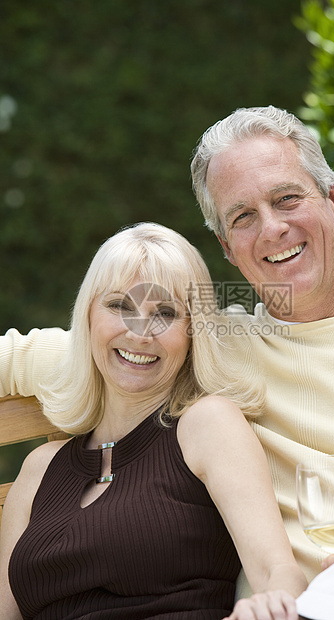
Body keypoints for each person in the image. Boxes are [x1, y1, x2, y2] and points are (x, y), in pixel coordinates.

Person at [0, 105, 334, 589]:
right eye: (242, 217)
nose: (271, 229)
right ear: (225, 248)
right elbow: (36, 355)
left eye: (286, 199)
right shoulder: (211, 344)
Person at [0, 223, 308, 620]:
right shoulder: (39, 469)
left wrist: (273, 603)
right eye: (119, 306)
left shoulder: (207, 425)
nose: (139, 332)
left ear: (192, 333)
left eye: (164, 313)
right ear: (89, 317)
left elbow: (277, 571)